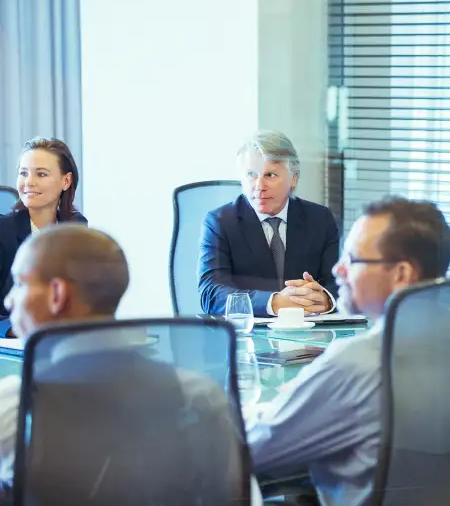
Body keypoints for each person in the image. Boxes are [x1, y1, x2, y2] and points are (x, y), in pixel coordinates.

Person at [0, 225, 260, 503]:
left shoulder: (16, 404)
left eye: (20, 283)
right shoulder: (198, 395)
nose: (8, 300)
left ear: (57, 294)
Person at [247, 197, 450, 506]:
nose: (337, 268)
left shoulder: (357, 362)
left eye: (353, 259)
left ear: (401, 274)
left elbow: (253, 448)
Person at [199, 130, 340, 317]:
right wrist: (274, 302)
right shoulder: (220, 223)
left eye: (270, 175)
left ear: (294, 179)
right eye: (251, 174)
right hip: (248, 337)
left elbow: (341, 282)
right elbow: (211, 294)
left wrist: (326, 299)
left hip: (309, 335)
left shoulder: (319, 219)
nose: (259, 186)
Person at [0, 137, 86, 329]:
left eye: (41, 174)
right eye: (23, 173)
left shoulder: (76, 228)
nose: (29, 182)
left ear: (66, 180)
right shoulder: (3, 232)